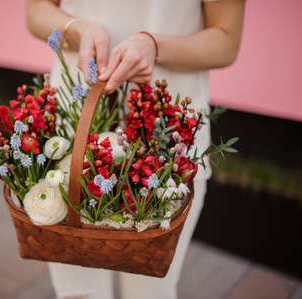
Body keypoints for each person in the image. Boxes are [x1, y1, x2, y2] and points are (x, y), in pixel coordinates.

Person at [27, 1, 245, 298]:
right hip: (73, 131)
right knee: (78, 293)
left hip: (168, 141)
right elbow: (37, 11)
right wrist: (77, 29)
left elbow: (226, 40)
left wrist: (155, 46)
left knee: (151, 291)